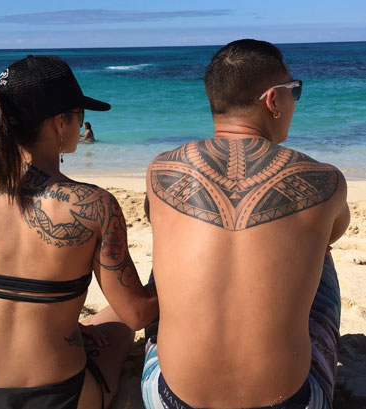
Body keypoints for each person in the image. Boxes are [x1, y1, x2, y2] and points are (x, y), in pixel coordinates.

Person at [0, 55, 158, 409]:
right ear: (60, 122)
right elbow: (138, 314)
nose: (82, 123)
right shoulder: (96, 205)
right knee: (117, 325)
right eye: (80, 114)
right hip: (59, 397)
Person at [141, 39, 349, 409]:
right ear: (272, 100)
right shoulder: (325, 180)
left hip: (170, 399)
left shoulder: (161, 170)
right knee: (322, 252)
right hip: (294, 402)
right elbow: (333, 233)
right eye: (294, 90)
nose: (294, 101)